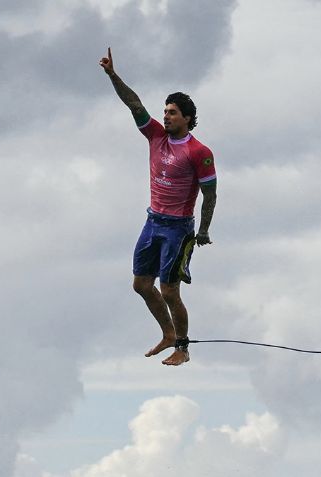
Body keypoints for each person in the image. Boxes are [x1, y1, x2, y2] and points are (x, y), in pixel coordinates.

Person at [99, 47, 217, 366]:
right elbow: (134, 103)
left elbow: (210, 194)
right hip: (153, 222)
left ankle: (182, 346)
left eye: (173, 113)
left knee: (169, 291)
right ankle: (167, 333)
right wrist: (112, 75)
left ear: (188, 118)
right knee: (140, 285)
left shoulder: (199, 151)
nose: (166, 116)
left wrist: (203, 230)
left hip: (178, 229)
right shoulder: (155, 136)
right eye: (165, 111)